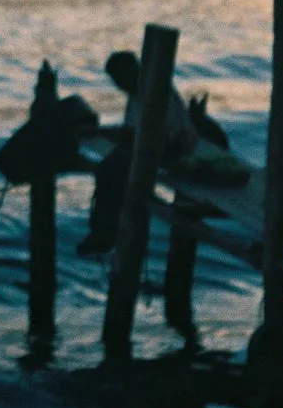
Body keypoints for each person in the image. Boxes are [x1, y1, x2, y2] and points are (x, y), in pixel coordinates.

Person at [79, 49, 199, 256]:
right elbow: (134, 131)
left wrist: (100, 131)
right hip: (154, 143)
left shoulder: (153, 92)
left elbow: (155, 133)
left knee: (113, 167)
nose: (118, 85)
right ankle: (104, 229)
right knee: (110, 167)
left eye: (119, 79)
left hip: (172, 148)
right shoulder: (137, 92)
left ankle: (106, 231)